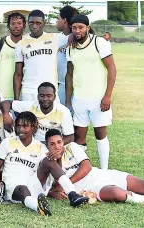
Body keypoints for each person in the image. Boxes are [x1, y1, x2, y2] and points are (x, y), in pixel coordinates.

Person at [0, 112, 88, 216]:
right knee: (22, 188)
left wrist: (58, 159)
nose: (20, 129)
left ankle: (72, 195)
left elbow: (55, 174)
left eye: (25, 126)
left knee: (48, 160)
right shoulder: (7, 142)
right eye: (18, 125)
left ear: (34, 127)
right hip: (14, 187)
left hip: (33, 183)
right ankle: (38, 206)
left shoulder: (40, 147)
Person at [65, 15, 116, 170]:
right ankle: (81, 169)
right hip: (79, 98)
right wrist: (68, 100)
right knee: (79, 135)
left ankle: (104, 170)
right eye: (74, 27)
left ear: (88, 27)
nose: (77, 30)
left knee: (100, 133)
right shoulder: (70, 46)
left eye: (81, 27)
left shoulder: (99, 42)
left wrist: (107, 96)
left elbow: (111, 68)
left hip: (98, 98)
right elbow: (69, 74)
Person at [45, 129, 144, 204]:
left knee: (141, 185)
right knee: (116, 193)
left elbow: (86, 167)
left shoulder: (71, 147)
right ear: (47, 145)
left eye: (59, 142)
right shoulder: (46, 160)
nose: (57, 146)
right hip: (89, 187)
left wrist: (66, 185)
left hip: (99, 174)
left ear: (63, 141)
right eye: (52, 144)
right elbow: (41, 183)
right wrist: (51, 193)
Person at [13, 10, 68, 102]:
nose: (35, 26)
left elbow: (75, 37)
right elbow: (18, 74)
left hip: (50, 91)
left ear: (44, 23)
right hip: (28, 91)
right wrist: (16, 100)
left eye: (38, 23)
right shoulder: (21, 43)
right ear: (27, 23)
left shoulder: (55, 38)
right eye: (32, 23)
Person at [0, 82, 74, 144]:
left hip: (51, 147)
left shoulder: (63, 111)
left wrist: (53, 145)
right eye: (42, 96)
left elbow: (70, 137)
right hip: (31, 146)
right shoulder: (31, 106)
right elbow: (5, 103)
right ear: (38, 96)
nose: (45, 99)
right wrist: (6, 114)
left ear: (54, 97)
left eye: (49, 96)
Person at [55, 6, 78, 105]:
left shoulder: (79, 38)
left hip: (77, 86)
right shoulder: (57, 38)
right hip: (61, 85)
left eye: (58, 18)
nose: (56, 21)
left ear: (64, 20)